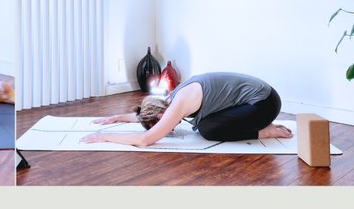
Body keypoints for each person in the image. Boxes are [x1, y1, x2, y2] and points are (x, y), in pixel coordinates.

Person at [81, 72, 289, 146]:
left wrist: (105, 137)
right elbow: (143, 116)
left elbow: (145, 140)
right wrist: (116, 117)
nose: (168, 128)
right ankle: (260, 123)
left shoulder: (178, 104)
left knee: (207, 129)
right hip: (257, 101)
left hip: (264, 104)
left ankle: (264, 130)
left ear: (162, 115)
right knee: (204, 124)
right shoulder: (169, 100)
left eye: (163, 124)